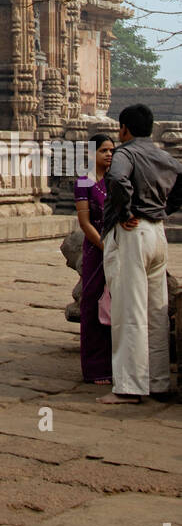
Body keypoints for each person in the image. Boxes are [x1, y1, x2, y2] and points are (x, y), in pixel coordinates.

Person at [99, 104, 182, 405]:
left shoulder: (125, 153)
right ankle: (158, 382)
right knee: (156, 311)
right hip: (157, 233)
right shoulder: (163, 156)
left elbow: (118, 180)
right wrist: (164, 210)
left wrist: (126, 211)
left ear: (124, 129)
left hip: (133, 233)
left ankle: (129, 387)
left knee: (129, 310)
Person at [74, 133, 115, 384]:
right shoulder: (84, 182)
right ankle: (94, 367)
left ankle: (114, 362)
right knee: (92, 304)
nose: (109, 154)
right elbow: (84, 222)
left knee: (113, 305)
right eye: (103, 151)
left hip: (116, 246)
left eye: (111, 150)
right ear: (92, 154)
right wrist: (104, 246)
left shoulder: (115, 181)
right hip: (96, 249)